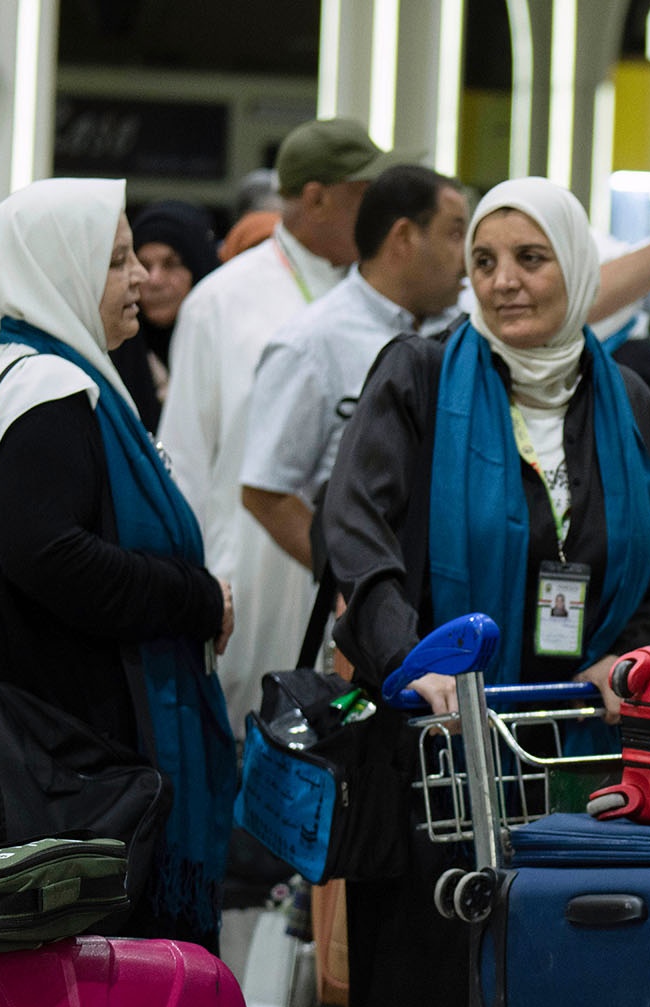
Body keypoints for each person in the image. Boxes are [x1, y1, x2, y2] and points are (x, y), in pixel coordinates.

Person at [322, 177, 650, 1007]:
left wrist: (626, 657)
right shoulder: (416, 376)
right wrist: (410, 661)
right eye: (484, 261)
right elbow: (353, 530)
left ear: (575, 266)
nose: (503, 283)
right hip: (439, 747)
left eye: (531, 259)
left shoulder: (630, 401)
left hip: (573, 748)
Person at [0, 178, 237, 947]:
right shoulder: (51, 392)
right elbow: (50, 556)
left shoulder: (20, 374)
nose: (140, 278)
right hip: (71, 754)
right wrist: (194, 598)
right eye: (116, 261)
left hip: (47, 738)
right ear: (60, 270)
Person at [158, 117, 403, 726]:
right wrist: (201, 592)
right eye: (362, 196)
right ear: (316, 198)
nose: (378, 212)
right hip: (252, 575)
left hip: (364, 579)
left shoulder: (387, 301)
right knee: (257, 752)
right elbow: (187, 458)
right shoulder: (221, 302)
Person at [240, 164, 467, 572]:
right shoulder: (312, 342)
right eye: (454, 233)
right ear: (403, 238)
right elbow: (265, 491)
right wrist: (357, 584)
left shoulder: (466, 333)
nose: (467, 258)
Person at [110, 199, 219, 432]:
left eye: (172, 264)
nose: (154, 280)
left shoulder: (225, 352)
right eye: (144, 265)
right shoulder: (111, 355)